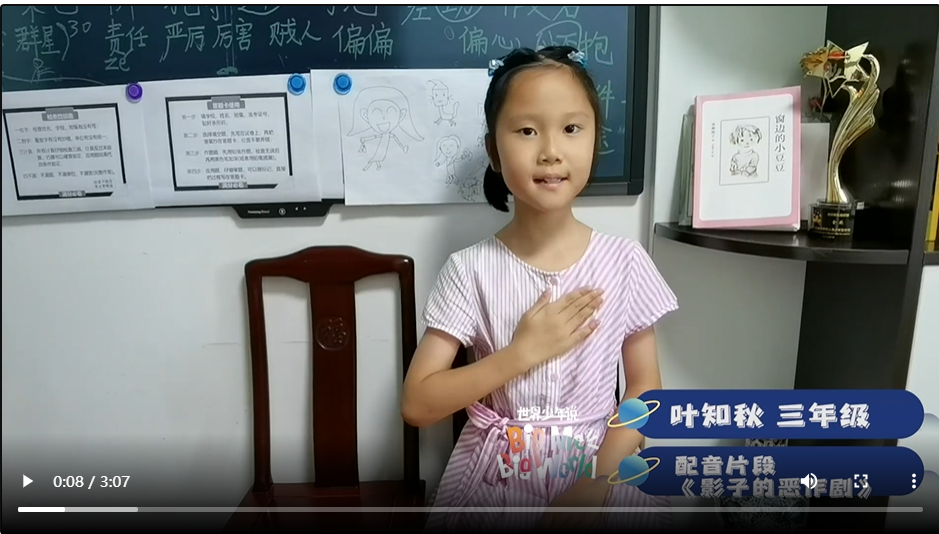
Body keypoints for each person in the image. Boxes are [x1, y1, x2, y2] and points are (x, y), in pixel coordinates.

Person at [400, 46, 678, 533]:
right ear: (493, 150)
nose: (550, 150)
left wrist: (597, 481)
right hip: (495, 477)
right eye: (527, 131)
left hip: (601, 465)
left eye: (571, 128)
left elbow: (645, 389)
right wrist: (522, 353)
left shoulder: (625, 261)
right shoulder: (469, 269)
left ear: (595, 139)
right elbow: (418, 404)